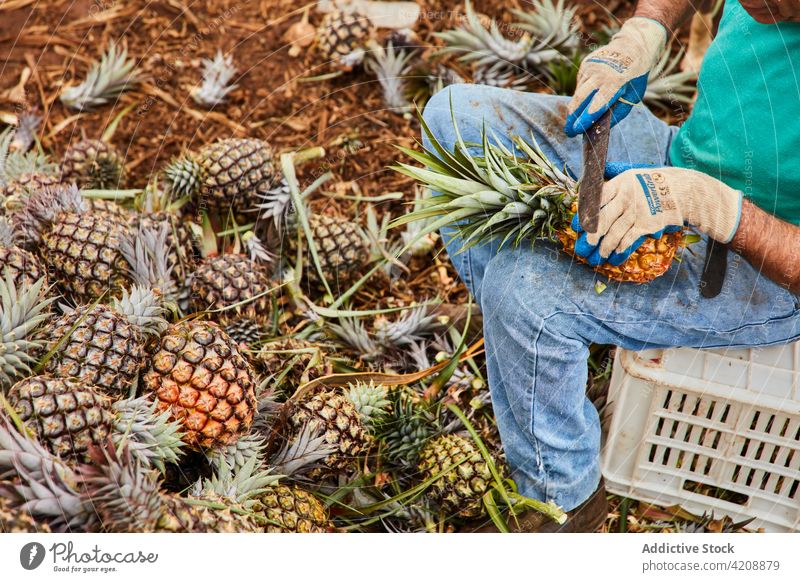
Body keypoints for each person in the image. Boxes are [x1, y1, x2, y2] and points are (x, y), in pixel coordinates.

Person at [422, 0, 800, 532]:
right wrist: (644, 29)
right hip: (682, 157)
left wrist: (710, 206)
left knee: (521, 289)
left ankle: (564, 502)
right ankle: (538, 362)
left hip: (761, 263)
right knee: (454, 119)